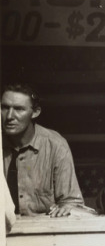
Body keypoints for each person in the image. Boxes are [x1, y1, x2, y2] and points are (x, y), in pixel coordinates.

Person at [1, 84, 83, 217]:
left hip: (43, 230)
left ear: (35, 112)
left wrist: (66, 209)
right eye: (4, 107)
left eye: (19, 109)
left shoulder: (55, 145)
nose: (9, 116)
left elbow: (72, 202)